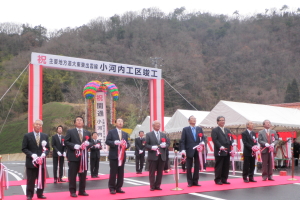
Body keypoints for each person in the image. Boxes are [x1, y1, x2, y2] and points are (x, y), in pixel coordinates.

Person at [22, 119, 50, 200]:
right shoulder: (27, 136)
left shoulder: (45, 136)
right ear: (33, 125)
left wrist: (44, 154)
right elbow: (24, 148)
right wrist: (32, 155)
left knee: (41, 178)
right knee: (31, 179)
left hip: (41, 162)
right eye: (37, 124)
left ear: (41, 126)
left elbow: (47, 148)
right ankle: (29, 195)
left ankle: (40, 194)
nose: (38, 126)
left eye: (40, 124)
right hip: (31, 161)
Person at [65, 116, 91, 197]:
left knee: (83, 175)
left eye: (81, 120)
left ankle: (82, 191)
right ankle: (72, 191)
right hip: (73, 156)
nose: (79, 121)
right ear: (75, 123)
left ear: (83, 123)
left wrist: (88, 144)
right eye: (77, 120)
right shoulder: (70, 131)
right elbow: (66, 142)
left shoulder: (87, 132)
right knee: (72, 175)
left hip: (83, 158)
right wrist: (74, 146)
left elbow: (91, 142)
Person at [106, 118, 130, 194]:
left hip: (122, 156)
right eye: (119, 121)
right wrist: (114, 142)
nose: (120, 123)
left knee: (121, 172)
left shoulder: (125, 133)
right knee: (113, 172)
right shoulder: (111, 132)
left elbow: (128, 144)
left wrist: (126, 145)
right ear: (115, 123)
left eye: (122, 121)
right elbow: (107, 141)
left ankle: (119, 187)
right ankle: (112, 188)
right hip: (114, 155)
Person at [211, 116, 235, 185]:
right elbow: (215, 140)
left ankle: (224, 179)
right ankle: (218, 179)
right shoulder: (215, 130)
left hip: (227, 150)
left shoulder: (227, 130)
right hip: (220, 151)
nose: (222, 121)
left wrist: (232, 142)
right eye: (221, 120)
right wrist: (220, 146)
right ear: (217, 122)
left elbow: (231, 138)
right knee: (219, 166)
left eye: (223, 120)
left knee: (226, 165)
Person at [145, 120, 169, 191]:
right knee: (152, 172)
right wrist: (152, 147)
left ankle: (158, 185)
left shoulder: (163, 134)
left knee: (160, 172)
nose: (158, 125)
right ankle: (152, 185)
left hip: (161, 156)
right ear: (153, 126)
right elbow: (146, 145)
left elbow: (167, 143)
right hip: (153, 155)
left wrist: (165, 146)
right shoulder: (149, 134)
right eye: (157, 124)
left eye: (159, 124)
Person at [180, 115, 203, 187]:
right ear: (189, 121)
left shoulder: (199, 129)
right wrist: (183, 149)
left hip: (198, 150)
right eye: (192, 119)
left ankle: (195, 181)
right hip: (189, 149)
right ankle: (189, 181)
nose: (194, 120)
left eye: (195, 119)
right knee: (189, 166)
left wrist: (202, 142)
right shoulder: (185, 129)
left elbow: (202, 138)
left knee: (197, 166)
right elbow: (182, 141)